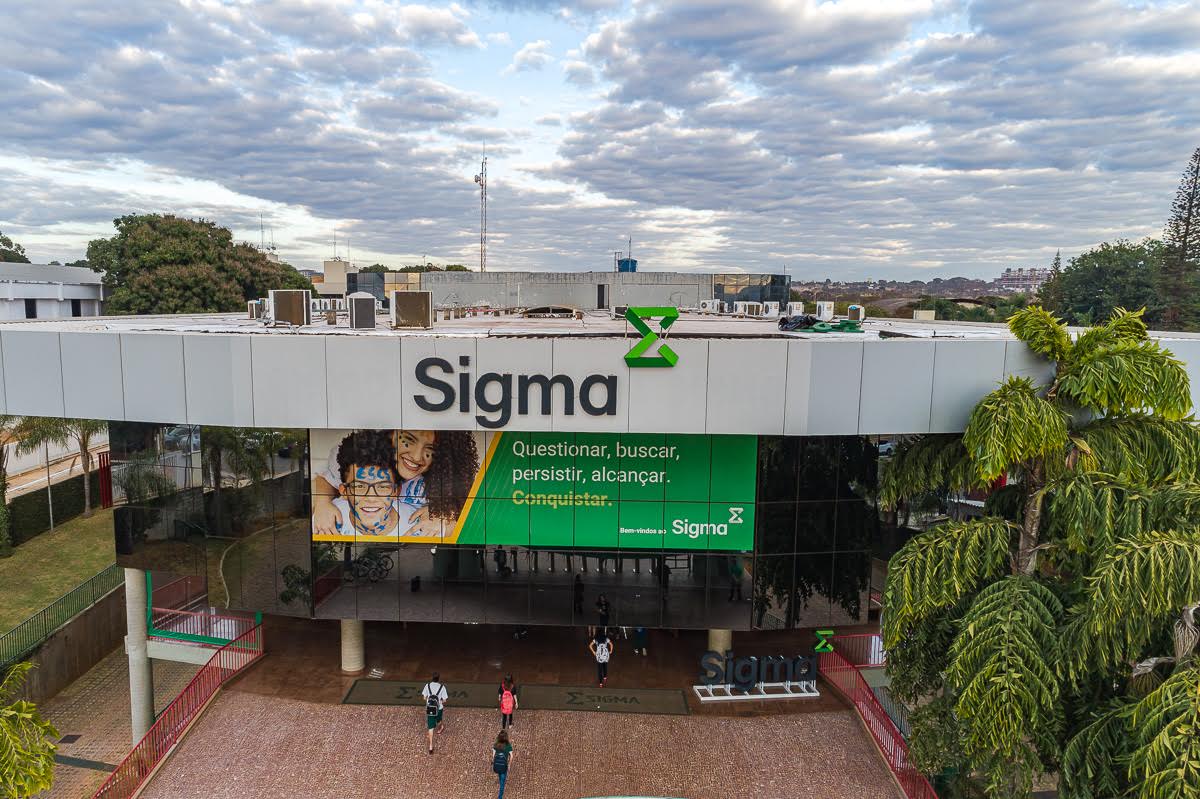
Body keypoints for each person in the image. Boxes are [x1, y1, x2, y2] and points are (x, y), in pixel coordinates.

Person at [421, 672, 448, 754]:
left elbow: (424, 698)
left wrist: (429, 701)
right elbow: (445, 700)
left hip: (430, 709)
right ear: (438, 679)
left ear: (432, 678)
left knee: (431, 727)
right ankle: (441, 727)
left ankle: (431, 746)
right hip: (439, 708)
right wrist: (439, 701)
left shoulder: (427, 686)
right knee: (439, 720)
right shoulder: (442, 687)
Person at [490, 729, 514, 799]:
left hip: (497, 765)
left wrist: (492, 762)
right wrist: (509, 764)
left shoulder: (496, 744)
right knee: (502, 783)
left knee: (500, 775)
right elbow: (511, 756)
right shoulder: (508, 745)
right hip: (504, 766)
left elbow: (493, 755)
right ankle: (500, 797)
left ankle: (500, 780)